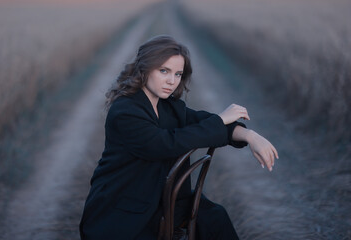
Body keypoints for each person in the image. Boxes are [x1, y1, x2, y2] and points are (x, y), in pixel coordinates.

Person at [79, 35, 278, 240]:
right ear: (144, 68)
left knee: (216, 218)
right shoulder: (125, 111)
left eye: (178, 74)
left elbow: (206, 123)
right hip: (123, 206)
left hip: (163, 198)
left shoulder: (169, 107)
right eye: (163, 71)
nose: (171, 81)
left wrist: (249, 135)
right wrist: (219, 120)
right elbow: (163, 144)